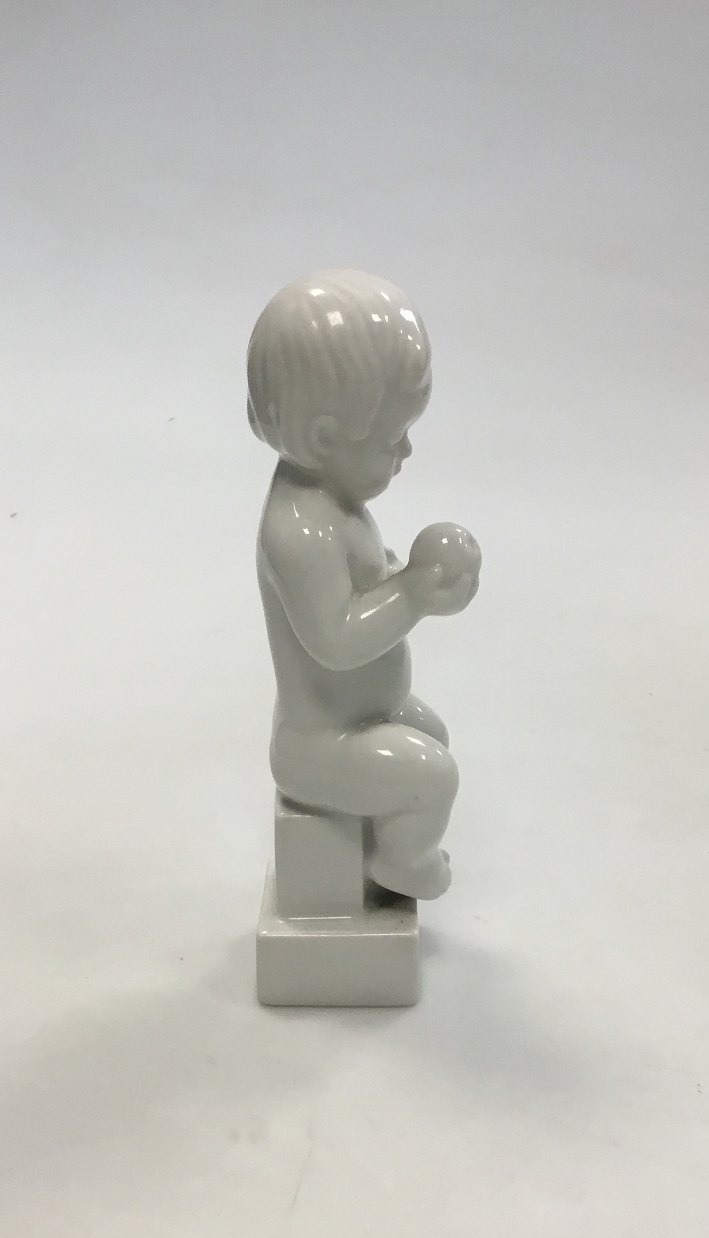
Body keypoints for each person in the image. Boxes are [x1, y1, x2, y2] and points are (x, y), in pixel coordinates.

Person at [250, 270, 481, 900]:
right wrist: (411, 595)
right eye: (390, 438)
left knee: (432, 737)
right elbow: (336, 641)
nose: (405, 451)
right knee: (433, 777)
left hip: (361, 714)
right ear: (327, 438)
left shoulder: (332, 500)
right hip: (319, 742)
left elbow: (360, 582)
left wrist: (405, 579)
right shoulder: (298, 531)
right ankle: (402, 866)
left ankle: (379, 840)